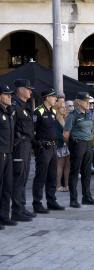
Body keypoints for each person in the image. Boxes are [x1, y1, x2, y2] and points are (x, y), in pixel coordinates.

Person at [63, 92, 94, 208]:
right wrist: (71, 145)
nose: (88, 103)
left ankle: (86, 197)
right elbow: (65, 134)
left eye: (89, 101)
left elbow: (91, 127)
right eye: (86, 101)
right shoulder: (72, 115)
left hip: (88, 143)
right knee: (74, 173)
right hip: (78, 144)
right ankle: (73, 199)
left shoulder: (88, 113)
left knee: (87, 172)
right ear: (79, 102)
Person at [32, 88, 65, 213]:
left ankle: (51, 201)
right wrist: (35, 145)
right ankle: (37, 203)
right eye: (53, 97)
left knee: (52, 175)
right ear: (47, 97)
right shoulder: (38, 112)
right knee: (41, 176)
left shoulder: (52, 112)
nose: (55, 99)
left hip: (52, 148)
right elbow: (32, 131)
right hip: (43, 148)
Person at [11, 79, 36, 222]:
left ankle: (22, 207)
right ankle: (16, 210)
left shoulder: (24, 105)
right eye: (28, 89)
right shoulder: (15, 105)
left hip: (26, 144)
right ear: (21, 90)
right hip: (19, 144)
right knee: (19, 176)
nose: (30, 91)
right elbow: (11, 127)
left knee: (25, 176)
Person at [0, 85, 17, 229]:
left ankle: (5, 216)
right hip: (0, 153)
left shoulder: (9, 110)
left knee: (7, 186)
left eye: (10, 94)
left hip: (9, 152)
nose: (10, 96)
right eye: (7, 94)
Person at [55, 101, 70, 192]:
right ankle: (58, 185)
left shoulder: (67, 118)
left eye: (65, 107)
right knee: (60, 165)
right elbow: (56, 133)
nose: (64, 109)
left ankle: (67, 185)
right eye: (62, 107)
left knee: (68, 165)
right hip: (61, 145)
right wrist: (65, 138)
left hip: (68, 145)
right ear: (57, 109)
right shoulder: (56, 120)